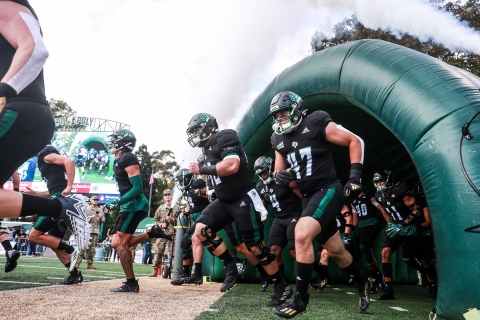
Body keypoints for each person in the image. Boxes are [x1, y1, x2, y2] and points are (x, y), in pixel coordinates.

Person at [0, 0, 90, 273]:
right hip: (25, 113)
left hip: (20, 109)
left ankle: (63, 206)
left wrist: (4, 92)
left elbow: (36, 49)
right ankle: (62, 208)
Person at [267, 91, 370, 317]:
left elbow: (355, 140)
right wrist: (279, 176)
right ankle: (362, 280)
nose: (280, 119)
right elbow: (278, 169)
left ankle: (300, 300)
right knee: (336, 251)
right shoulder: (277, 139)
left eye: (284, 113)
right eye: (277, 116)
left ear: (296, 110)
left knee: (302, 234)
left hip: (328, 189)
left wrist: (354, 177)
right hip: (308, 196)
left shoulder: (316, 121)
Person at [187, 113, 292, 303]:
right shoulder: (206, 150)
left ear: (209, 127)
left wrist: (201, 170)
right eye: (192, 131)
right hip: (224, 200)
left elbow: (232, 165)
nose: (194, 135)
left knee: (255, 247)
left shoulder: (224, 137)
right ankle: (231, 266)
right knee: (201, 230)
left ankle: (280, 285)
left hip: (243, 198)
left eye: (196, 130)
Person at [104, 129, 172, 292]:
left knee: (121, 244)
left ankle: (131, 282)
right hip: (127, 206)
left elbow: (137, 188)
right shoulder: (118, 159)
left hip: (134, 205)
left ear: (123, 142)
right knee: (116, 242)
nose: (111, 143)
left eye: (115, 140)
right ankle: (152, 232)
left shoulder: (128, 158)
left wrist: (118, 201)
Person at [372, 169, 438, 300]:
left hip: (410, 227)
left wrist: (403, 224)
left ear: (388, 180)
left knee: (422, 258)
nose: (379, 184)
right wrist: (391, 224)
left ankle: (433, 285)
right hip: (396, 226)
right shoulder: (379, 196)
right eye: (377, 182)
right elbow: (388, 212)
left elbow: (415, 210)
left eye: (381, 180)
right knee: (385, 252)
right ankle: (388, 290)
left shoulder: (400, 191)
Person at [25, 144, 82, 284]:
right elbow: (54, 188)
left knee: (33, 236)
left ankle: (71, 250)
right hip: (58, 198)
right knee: (54, 242)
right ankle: (74, 274)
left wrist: (69, 186)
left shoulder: (46, 153)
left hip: (59, 202)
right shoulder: (46, 158)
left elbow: (69, 161)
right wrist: (35, 194)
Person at [254, 156, 301, 299]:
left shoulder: (282, 179)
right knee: (273, 253)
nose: (263, 175)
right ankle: (283, 285)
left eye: (264, 171)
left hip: (293, 216)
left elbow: (303, 195)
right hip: (278, 219)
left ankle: (312, 277)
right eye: (260, 173)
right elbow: (263, 207)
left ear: (270, 167)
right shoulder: (260, 186)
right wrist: (258, 222)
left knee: (294, 253)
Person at [350, 185, 384, 291]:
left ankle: (374, 274)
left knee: (363, 246)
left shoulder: (369, 195)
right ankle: (377, 277)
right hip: (361, 226)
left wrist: (389, 222)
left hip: (372, 223)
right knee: (367, 250)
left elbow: (380, 207)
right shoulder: (353, 201)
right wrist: (352, 231)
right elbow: (355, 219)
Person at [148, 189, 181, 277]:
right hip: (162, 233)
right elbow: (155, 220)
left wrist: (173, 220)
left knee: (174, 252)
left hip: (174, 233)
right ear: (163, 197)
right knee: (158, 251)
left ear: (172, 196)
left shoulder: (178, 208)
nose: (167, 196)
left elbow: (181, 221)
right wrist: (160, 224)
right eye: (165, 195)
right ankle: (155, 271)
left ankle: (175, 272)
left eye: (169, 194)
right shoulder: (160, 208)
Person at [76, 195, 104, 269]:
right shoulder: (86, 209)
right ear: (91, 200)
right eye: (94, 199)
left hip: (95, 231)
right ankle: (77, 263)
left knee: (92, 249)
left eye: (97, 200)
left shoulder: (100, 210)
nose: (96, 201)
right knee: (83, 248)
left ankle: (89, 264)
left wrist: (100, 218)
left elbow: (103, 220)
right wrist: (91, 217)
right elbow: (82, 219)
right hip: (86, 230)